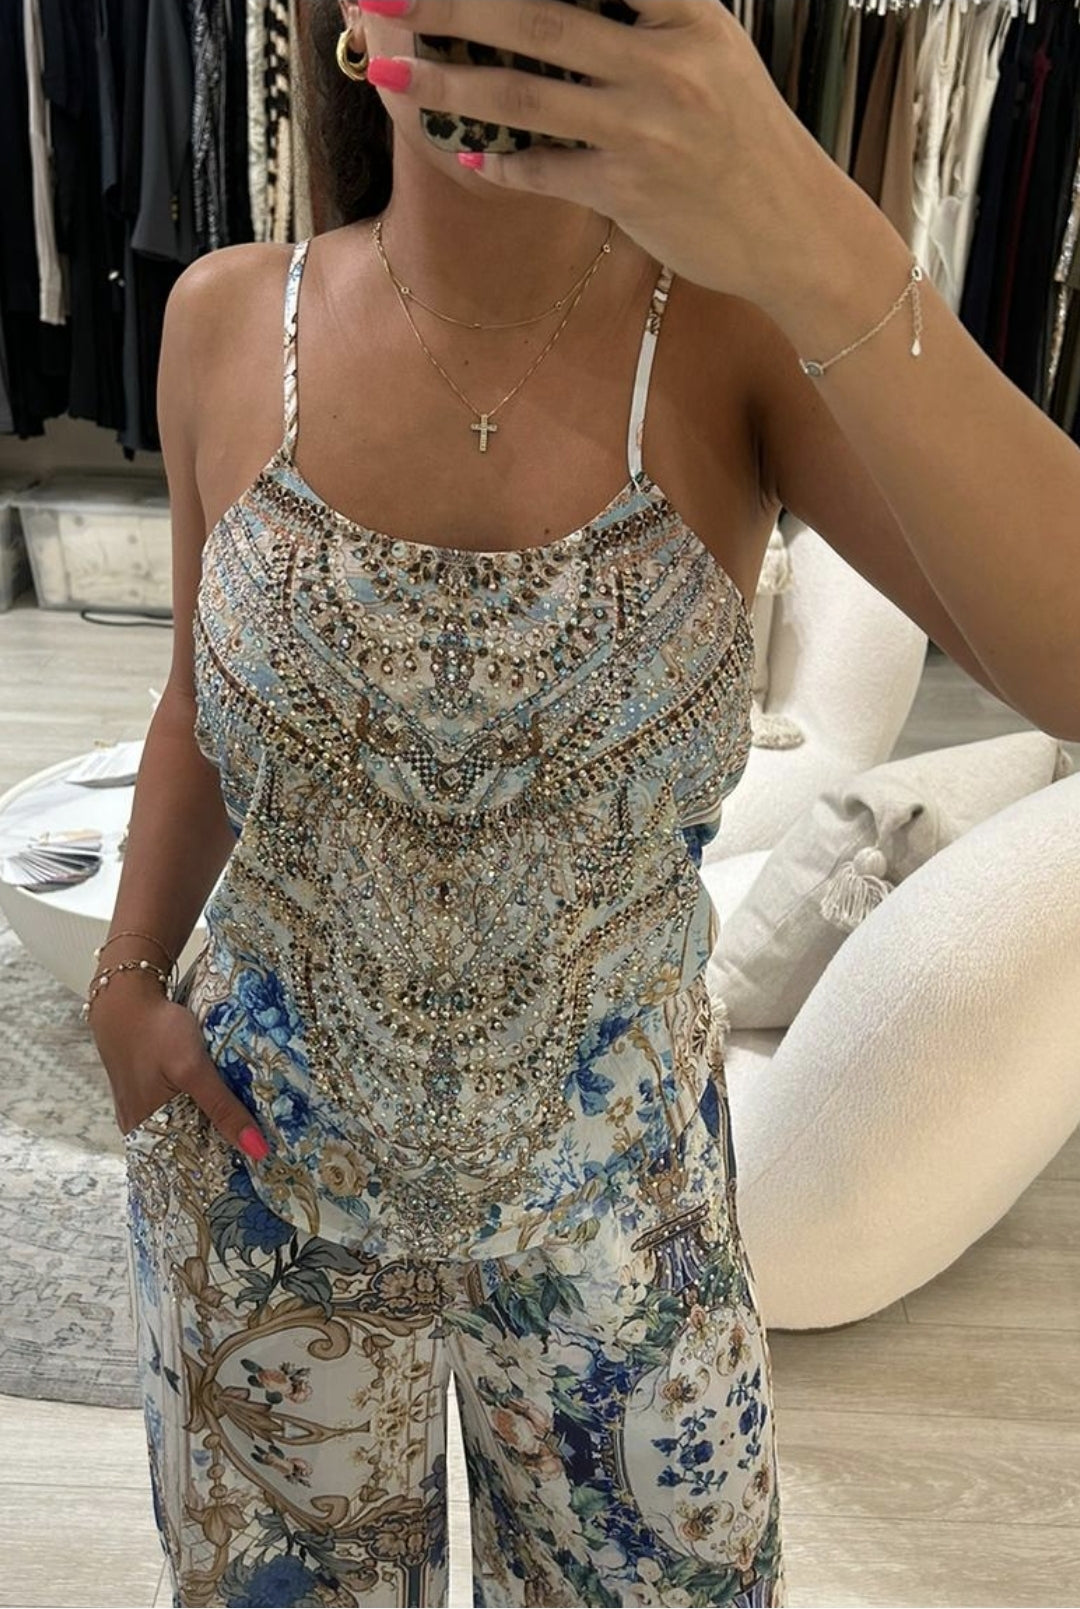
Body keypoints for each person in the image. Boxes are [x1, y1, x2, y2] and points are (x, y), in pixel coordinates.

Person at [87, 2, 1080, 1606]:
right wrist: (127, 974)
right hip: (261, 1182)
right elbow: (197, 704)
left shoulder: (742, 338)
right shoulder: (225, 318)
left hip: (623, 1213)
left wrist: (805, 217)